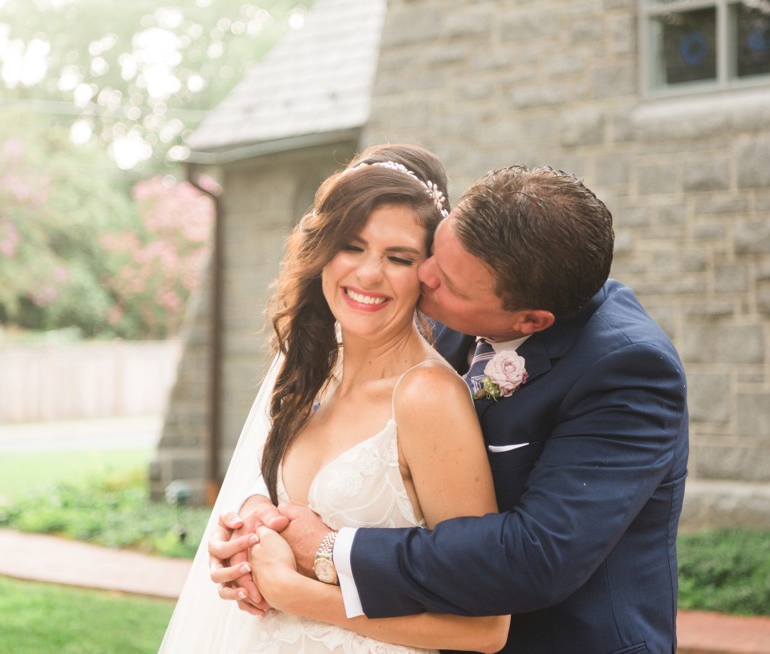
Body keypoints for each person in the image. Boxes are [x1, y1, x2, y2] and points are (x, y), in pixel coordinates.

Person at [215, 165, 690, 654]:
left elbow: (535, 558)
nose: (422, 276)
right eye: (432, 252)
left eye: (445, 283)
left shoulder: (628, 371)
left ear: (530, 320)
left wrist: (328, 553)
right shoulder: (451, 288)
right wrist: (256, 521)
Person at [158, 144, 510, 653]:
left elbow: (485, 627)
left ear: (427, 274)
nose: (369, 274)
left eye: (398, 257)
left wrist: (296, 593)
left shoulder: (428, 398)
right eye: (352, 246)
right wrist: (246, 542)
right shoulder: (307, 372)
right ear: (322, 249)